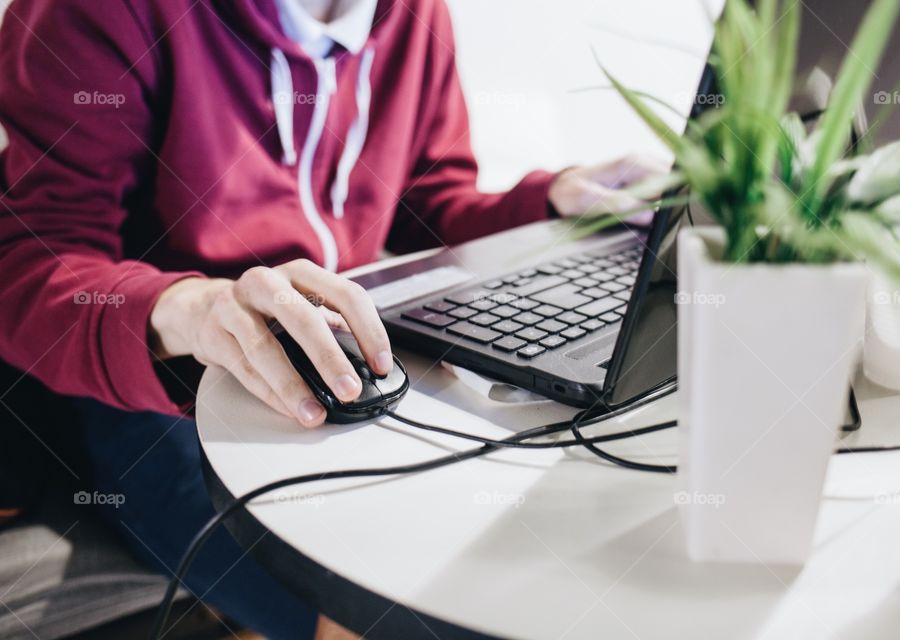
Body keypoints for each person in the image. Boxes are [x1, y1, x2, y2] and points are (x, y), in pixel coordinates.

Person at [0, 0, 653, 637]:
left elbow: (425, 199)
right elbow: (28, 265)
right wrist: (192, 308)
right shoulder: (99, 12)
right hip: (156, 389)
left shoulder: (417, 15)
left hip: (341, 358)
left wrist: (549, 199)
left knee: (533, 556)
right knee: (401, 614)